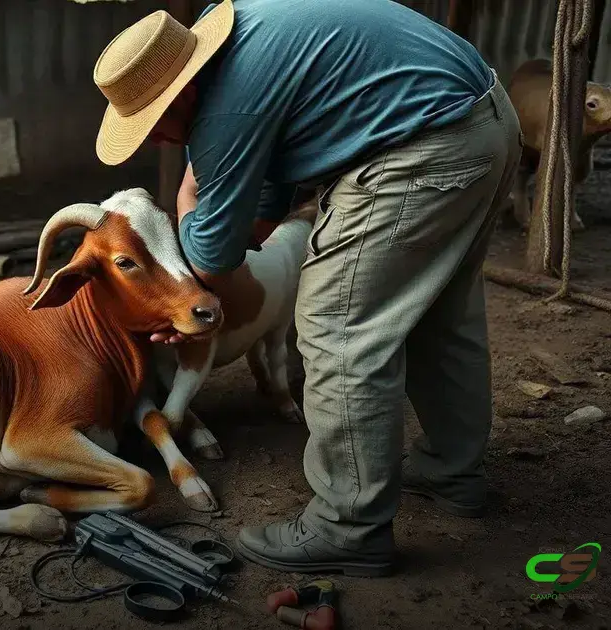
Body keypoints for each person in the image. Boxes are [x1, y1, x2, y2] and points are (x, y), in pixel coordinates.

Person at [90, 0, 521, 576]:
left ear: (179, 94)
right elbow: (263, 206)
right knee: (440, 311)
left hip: (423, 150)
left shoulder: (224, 112)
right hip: (485, 120)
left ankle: (349, 528)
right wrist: (208, 256)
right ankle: (451, 471)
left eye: (152, 125)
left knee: (336, 328)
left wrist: (188, 201)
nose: (157, 144)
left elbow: (213, 259)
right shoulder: (252, 39)